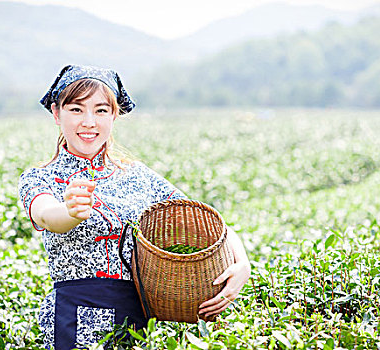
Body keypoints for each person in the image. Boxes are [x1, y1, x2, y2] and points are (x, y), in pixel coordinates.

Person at [18, 64, 251, 349]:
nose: (89, 121)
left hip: (138, 320)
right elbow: (46, 215)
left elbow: (205, 223)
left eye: (101, 110)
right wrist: (70, 212)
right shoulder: (40, 177)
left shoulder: (137, 176)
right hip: (72, 319)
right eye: (76, 109)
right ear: (57, 113)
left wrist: (241, 263)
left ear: (114, 115)